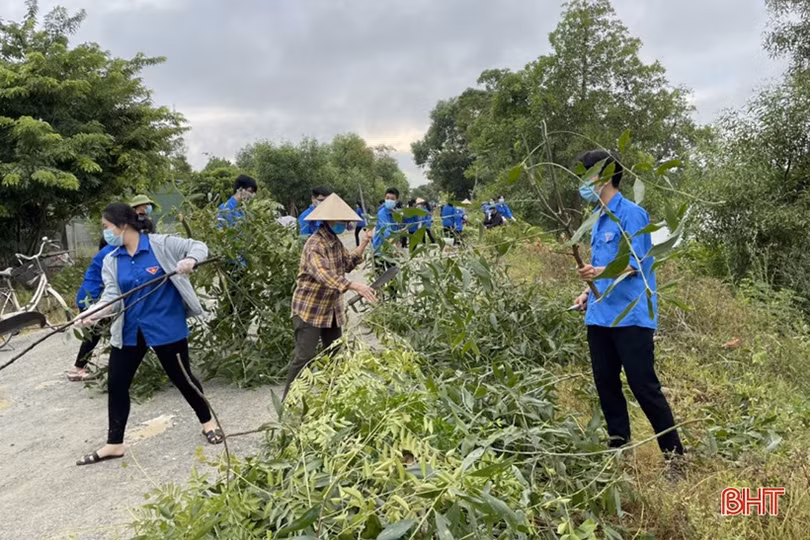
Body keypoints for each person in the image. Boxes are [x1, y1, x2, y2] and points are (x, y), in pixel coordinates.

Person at [75, 203, 221, 465]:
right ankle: (114, 443)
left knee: (184, 378)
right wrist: (94, 313)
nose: (105, 232)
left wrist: (191, 260)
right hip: (130, 330)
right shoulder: (111, 259)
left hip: (166, 327)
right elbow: (113, 297)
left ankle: (209, 423)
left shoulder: (160, 244)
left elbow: (198, 246)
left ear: (123, 225)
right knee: (117, 383)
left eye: (107, 227)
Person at [572, 150, 684, 465]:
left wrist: (598, 273)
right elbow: (603, 266)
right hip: (600, 317)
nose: (580, 181)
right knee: (606, 385)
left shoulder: (632, 214)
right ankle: (618, 450)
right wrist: (587, 291)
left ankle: (675, 457)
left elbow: (634, 264)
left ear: (604, 176)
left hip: (631, 317)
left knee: (643, 386)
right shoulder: (596, 218)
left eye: (585, 173)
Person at [284, 194, 376, 398]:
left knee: (335, 354)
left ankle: (334, 398)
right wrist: (355, 286)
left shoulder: (334, 241)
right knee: (305, 356)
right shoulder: (314, 244)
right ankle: (288, 402)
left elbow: (348, 263)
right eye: (342, 221)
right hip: (310, 310)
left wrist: (363, 243)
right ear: (330, 220)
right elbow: (324, 275)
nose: (345, 224)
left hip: (331, 310)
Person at [67, 237, 115, 381]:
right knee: (94, 334)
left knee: (98, 332)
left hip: (89, 295)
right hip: (93, 298)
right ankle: (78, 369)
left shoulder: (105, 251)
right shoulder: (111, 252)